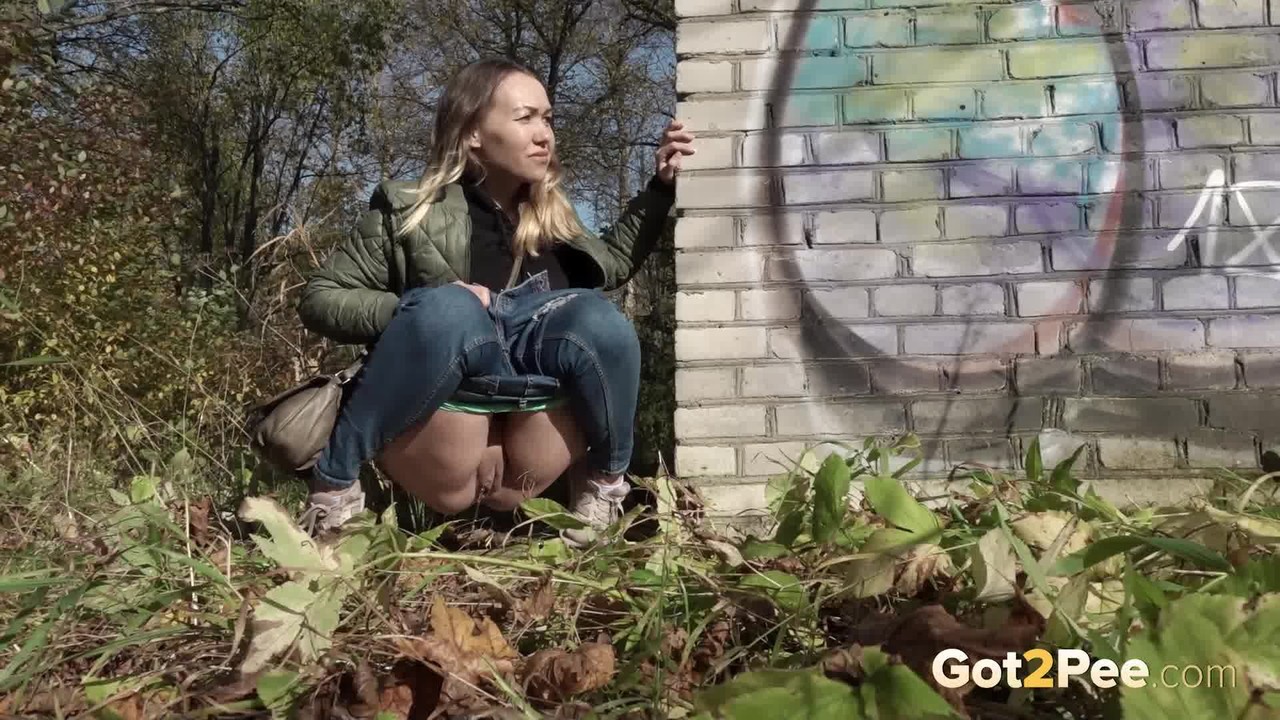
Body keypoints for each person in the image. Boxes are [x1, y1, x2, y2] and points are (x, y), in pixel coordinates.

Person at [294, 57, 696, 545]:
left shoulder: (555, 218)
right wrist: (415, 307)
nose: (544, 135)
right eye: (525, 118)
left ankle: (604, 492)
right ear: (472, 134)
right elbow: (320, 298)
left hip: (534, 429)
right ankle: (334, 493)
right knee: (450, 309)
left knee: (599, 317)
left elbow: (612, 263)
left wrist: (660, 188)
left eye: (548, 119)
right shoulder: (410, 209)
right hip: (443, 425)